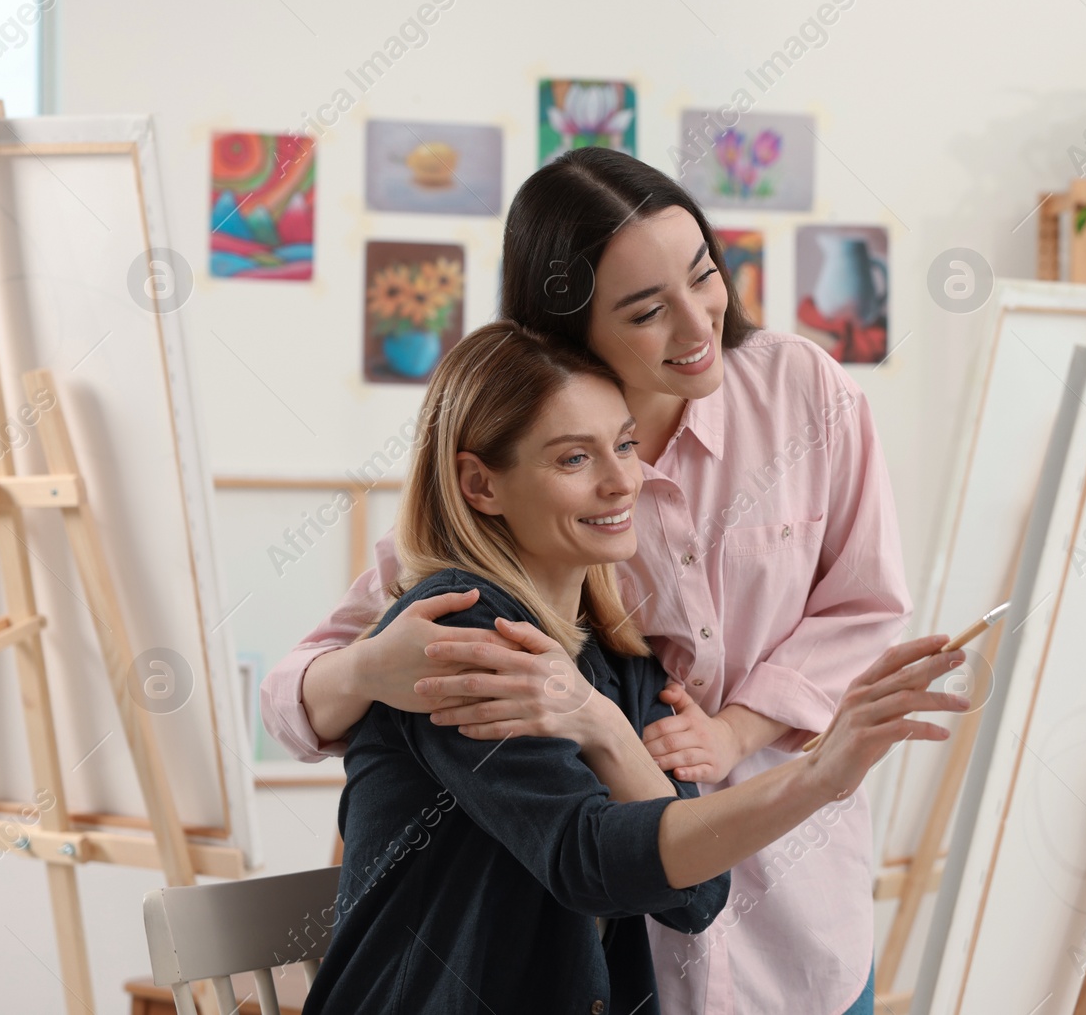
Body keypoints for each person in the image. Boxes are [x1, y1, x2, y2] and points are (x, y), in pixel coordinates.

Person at [263, 147, 914, 1014]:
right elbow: (305, 688)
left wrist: (726, 734)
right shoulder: (487, 581)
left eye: (705, 276)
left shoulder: (800, 393)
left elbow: (866, 605)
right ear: (570, 333)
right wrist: (371, 668)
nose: (697, 328)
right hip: (617, 952)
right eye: (647, 311)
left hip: (792, 914)